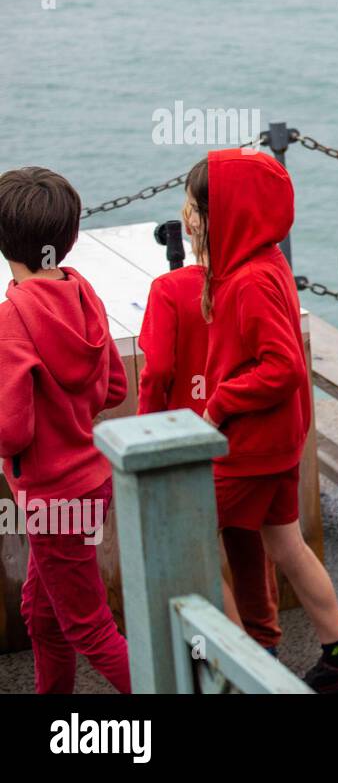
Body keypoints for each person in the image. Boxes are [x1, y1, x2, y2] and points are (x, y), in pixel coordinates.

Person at [187, 150, 338, 693]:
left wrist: (220, 402)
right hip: (276, 444)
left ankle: (233, 669)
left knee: (192, 540)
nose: (192, 217)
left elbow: (283, 367)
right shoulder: (266, 262)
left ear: (228, 214)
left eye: (200, 207)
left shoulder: (247, 280)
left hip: (248, 447)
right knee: (285, 544)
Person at [0, 167, 131, 693]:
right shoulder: (83, 294)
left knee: (89, 626)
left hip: (51, 497)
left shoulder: (12, 319)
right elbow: (115, 387)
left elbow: (11, 431)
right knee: (42, 614)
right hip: (91, 482)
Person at [137, 202, 282, 652]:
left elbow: (156, 371)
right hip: (241, 436)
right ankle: (265, 640)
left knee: (190, 545)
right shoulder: (250, 280)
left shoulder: (169, 289)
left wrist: (146, 433)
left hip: (188, 439)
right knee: (250, 545)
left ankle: (236, 654)